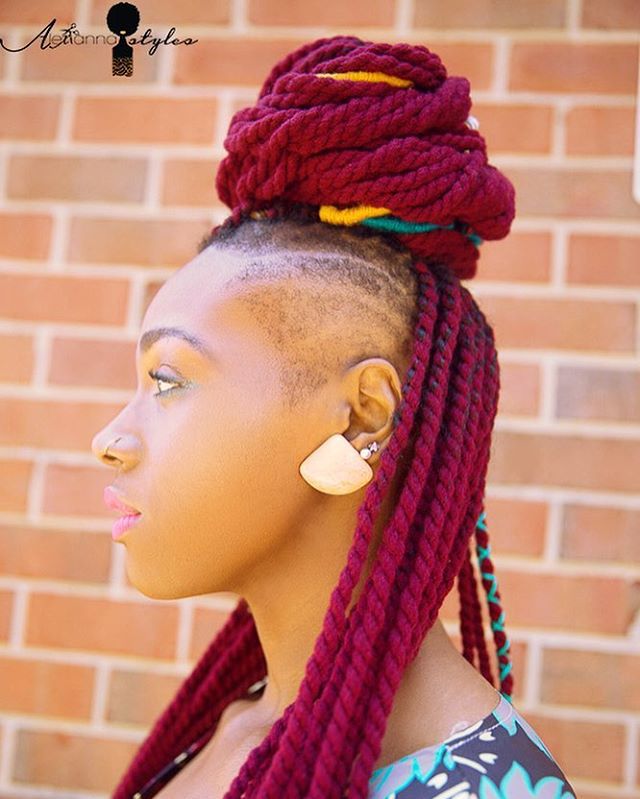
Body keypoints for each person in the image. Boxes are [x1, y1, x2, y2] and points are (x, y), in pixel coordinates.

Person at [91, 35, 577, 799]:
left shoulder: (479, 790)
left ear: (359, 417)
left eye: (168, 380)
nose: (110, 440)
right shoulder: (236, 722)